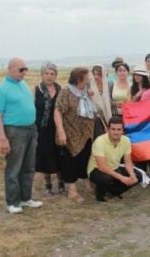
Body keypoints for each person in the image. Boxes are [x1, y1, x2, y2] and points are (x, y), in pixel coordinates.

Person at [0, 58, 43, 214]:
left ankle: (25, 198)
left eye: (26, 69)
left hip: (30, 129)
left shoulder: (22, 84)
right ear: (11, 69)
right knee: (14, 167)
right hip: (14, 131)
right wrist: (2, 138)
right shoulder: (2, 89)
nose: (25, 72)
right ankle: (13, 202)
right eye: (21, 69)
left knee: (29, 166)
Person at [54, 67, 96, 202]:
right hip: (70, 133)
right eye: (87, 77)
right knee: (70, 160)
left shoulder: (84, 91)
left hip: (86, 133)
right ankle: (72, 190)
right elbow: (58, 111)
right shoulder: (66, 91)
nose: (89, 79)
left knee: (85, 158)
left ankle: (86, 183)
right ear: (78, 79)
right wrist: (60, 131)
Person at [87, 116, 142, 202]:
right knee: (106, 178)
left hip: (114, 168)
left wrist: (132, 174)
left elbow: (128, 161)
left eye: (119, 129)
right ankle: (100, 195)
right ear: (108, 129)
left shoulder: (126, 140)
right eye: (113, 129)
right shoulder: (99, 141)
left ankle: (113, 191)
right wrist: (121, 178)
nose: (116, 132)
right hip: (96, 169)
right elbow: (102, 167)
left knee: (138, 176)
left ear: (123, 130)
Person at [34, 62, 63, 195]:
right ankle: (48, 185)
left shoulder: (60, 89)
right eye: (46, 73)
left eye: (52, 74)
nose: (49, 76)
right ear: (42, 74)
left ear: (56, 75)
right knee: (45, 155)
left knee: (59, 154)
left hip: (58, 128)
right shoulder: (36, 89)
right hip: (42, 129)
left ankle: (61, 183)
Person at [90, 65, 112, 140]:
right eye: (94, 74)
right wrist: (104, 125)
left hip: (108, 115)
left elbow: (109, 102)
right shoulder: (89, 86)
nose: (96, 76)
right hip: (96, 119)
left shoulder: (109, 85)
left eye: (98, 74)